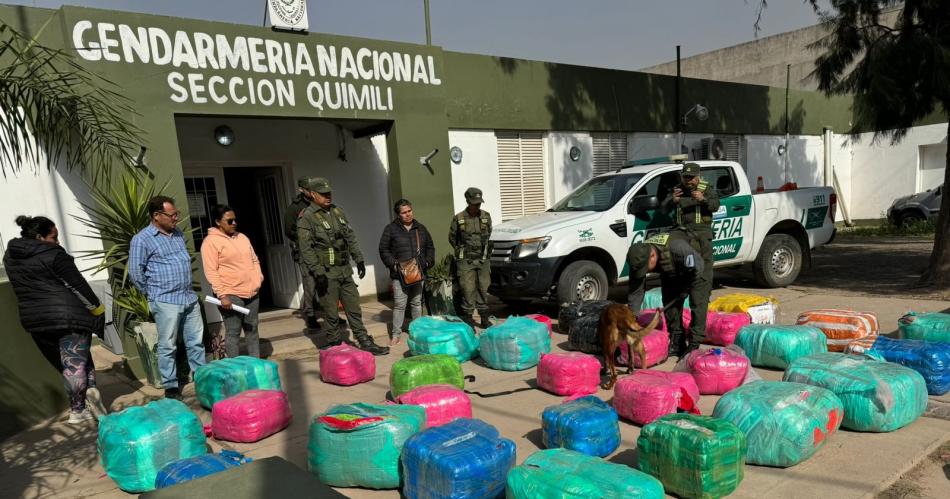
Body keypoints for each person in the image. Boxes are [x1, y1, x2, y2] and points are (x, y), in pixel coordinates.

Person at [3, 215, 109, 424]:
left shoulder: (10, 257)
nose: (58, 242)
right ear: (41, 237)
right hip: (68, 316)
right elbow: (78, 285)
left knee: (70, 365)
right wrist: (98, 309)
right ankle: (78, 409)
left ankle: (88, 397)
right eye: (54, 237)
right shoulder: (54, 254)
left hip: (36, 321)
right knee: (75, 363)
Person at [296, 177, 389, 355]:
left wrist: (359, 259)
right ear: (313, 194)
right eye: (323, 194)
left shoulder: (337, 211)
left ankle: (364, 340)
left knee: (354, 307)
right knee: (331, 313)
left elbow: (350, 236)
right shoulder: (306, 217)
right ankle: (335, 346)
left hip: (344, 269)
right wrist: (317, 272)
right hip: (326, 272)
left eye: (329, 193)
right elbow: (306, 249)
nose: (327, 196)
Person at [129, 195, 207, 400]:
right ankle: (171, 386)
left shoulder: (178, 234)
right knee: (168, 345)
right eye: (172, 215)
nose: (176, 218)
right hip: (165, 301)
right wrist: (154, 293)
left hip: (188, 298)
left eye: (176, 214)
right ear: (157, 216)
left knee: (195, 342)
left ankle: (202, 379)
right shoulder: (142, 240)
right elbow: (135, 273)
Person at [661, 162, 719, 350]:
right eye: (685, 177)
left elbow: (715, 205)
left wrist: (702, 199)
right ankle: (676, 336)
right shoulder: (677, 190)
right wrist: (672, 200)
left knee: (699, 295)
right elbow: (663, 209)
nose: (688, 181)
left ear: (698, 176)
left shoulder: (706, 189)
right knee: (672, 290)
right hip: (679, 241)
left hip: (701, 243)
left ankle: (694, 342)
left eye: (691, 177)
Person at [627, 231, 706, 358]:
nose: (645, 272)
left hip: (698, 264)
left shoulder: (678, 248)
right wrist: (631, 318)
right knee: (669, 299)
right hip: (672, 269)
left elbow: (698, 266)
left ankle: (694, 344)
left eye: (646, 268)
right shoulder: (639, 258)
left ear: (652, 256)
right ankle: (678, 342)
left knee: (697, 301)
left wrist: (686, 288)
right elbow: (635, 292)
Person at [201, 204, 264, 358]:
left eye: (235, 220)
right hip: (231, 294)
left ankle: (255, 365)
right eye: (229, 221)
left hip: (252, 293)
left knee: (252, 329)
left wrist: (258, 279)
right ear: (218, 222)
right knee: (233, 332)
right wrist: (222, 295)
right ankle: (235, 368)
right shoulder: (210, 242)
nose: (234, 223)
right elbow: (211, 271)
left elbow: (254, 260)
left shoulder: (242, 237)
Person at [378, 199, 436, 345]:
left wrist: (428, 262)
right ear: (398, 215)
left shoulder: (421, 228)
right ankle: (396, 334)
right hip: (399, 275)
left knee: (417, 303)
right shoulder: (390, 229)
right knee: (399, 304)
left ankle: (416, 331)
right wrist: (394, 265)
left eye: (409, 211)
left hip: (418, 272)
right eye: (404, 212)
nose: (408, 214)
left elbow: (430, 247)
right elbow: (383, 249)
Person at [449, 187, 493, 329]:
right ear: (468, 201)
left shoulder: (486, 217)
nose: (477, 205)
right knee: (467, 289)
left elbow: (488, 233)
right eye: (474, 203)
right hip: (466, 260)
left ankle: (484, 319)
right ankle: (468, 321)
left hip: (483, 259)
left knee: (483, 287)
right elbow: (452, 238)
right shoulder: (459, 218)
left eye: (479, 203)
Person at [283, 177, 320, 330]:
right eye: (308, 189)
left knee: (326, 282)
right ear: (301, 190)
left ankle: (332, 314)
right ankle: (310, 315)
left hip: (321, 249)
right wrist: (304, 237)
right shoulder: (294, 208)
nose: (311, 192)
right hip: (305, 251)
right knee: (310, 283)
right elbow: (289, 230)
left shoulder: (318, 203)